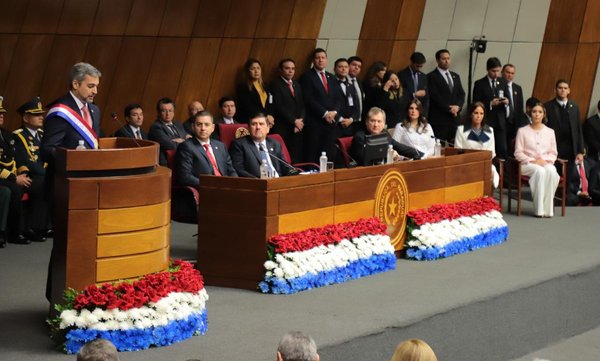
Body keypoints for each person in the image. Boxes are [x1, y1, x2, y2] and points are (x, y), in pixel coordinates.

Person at [42, 62, 102, 161]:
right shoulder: (61, 112)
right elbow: (47, 150)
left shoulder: (95, 110)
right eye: (91, 86)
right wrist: (73, 157)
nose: (95, 91)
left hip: (90, 173)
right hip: (65, 174)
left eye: (96, 86)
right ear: (75, 84)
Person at [13, 97, 50, 242]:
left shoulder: (42, 135)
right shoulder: (19, 136)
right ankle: (33, 227)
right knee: (42, 183)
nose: (41, 117)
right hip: (29, 175)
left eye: (41, 114)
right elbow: (24, 161)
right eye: (36, 114)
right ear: (26, 117)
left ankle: (47, 225)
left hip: (42, 174)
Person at [514, 102, 560, 217]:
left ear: (544, 114)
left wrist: (545, 160)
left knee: (551, 171)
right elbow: (518, 153)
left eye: (540, 112)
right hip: (527, 164)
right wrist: (532, 160)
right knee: (539, 171)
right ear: (530, 114)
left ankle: (548, 210)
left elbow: (554, 153)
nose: (537, 114)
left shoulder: (550, 132)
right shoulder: (522, 131)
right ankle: (539, 209)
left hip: (545, 162)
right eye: (534, 112)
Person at [300, 48, 343, 163]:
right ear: (313, 60)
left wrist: (334, 112)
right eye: (317, 58)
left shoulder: (331, 77)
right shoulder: (307, 76)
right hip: (315, 122)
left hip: (331, 123)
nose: (320, 60)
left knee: (328, 153)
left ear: (326, 60)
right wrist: (324, 113)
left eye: (323, 58)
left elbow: (338, 98)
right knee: (313, 153)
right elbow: (308, 99)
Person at [175, 111, 237, 187]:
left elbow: (231, 170)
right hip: (206, 189)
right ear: (193, 127)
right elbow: (185, 177)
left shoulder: (221, 146)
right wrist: (210, 184)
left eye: (207, 125)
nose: (203, 128)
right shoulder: (186, 147)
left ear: (213, 128)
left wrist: (235, 184)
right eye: (199, 124)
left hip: (226, 188)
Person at [0, 96, 30, 245]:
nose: (1, 116)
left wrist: (23, 173)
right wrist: (13, 178)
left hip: (10, 175)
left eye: (2, 113)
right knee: (12, 189)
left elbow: (17, 157)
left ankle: (22, 229)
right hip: (3, 176)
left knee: (26, 184)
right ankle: (11, 232)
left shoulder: (7, 135)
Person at [350, 107, 422, 165]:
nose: (376, 125)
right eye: (372, 121)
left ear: (384, 124)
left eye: (379, 121)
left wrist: (421, 155)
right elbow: (365, 159)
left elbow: (400, 147)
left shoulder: (384, 133)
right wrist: (389, 154)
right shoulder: (359, 137)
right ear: (366, 122)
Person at [544, 80, 584, 177]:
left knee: (569, 175)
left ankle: (568, 192)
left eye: (565, 88)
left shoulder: (574, 106)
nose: (563, 90)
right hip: (555, 146)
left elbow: (578, 129)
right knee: (554, 174)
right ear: (555, 90)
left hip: (571, 146)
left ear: (569, 91)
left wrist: (580, 151)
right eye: (560, 88)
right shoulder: (548, 106)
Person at [454, 102, 500, 188]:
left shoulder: (490, 130)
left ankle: (485, 197)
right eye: (476, 113)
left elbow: (492, 152)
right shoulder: (461, 129)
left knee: (491, 171)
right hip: (467, 164)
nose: (478, 116)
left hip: (484, 163)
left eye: (481, 113)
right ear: (471, 114)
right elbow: (457, 151)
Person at [472, 57, 510, 159]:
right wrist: (490, 104)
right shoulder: (479, 84)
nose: (496, 74)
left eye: (498, 71)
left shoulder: (503, 82)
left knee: (502, 149)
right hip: (486, 120)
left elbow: (508, 98)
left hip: (500, 121)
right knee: (486, 148)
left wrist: (506, 101)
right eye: (493, 71)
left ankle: (502, 173)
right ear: (488, 69)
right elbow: (475, 103)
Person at [270, 58, 305, 163]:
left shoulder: (296, 84)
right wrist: (294, 121)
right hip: (283, 126)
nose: (290, 71)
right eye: (287, 68)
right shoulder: (275, 84)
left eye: (293, 69)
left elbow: (302, 104)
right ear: (281, 70)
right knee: (283, 156)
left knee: (296, 155)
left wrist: (301, 121)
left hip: (298, 126)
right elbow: (279, 106)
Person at [427, 49, 465, 143]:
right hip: (439, 120)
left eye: (448, 58)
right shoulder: (431, 76)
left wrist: (458, 107)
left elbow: (461, 94)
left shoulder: (455, 76)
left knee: (457, 146)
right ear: (438, 60)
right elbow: (434, 96)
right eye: (444, 59)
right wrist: (449, 108)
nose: (447, 61)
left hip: (455, 119)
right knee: (440, 147)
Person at [148, 97, 189, 166]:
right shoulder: (155, 127)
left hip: (183, 160)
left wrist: (181, 140)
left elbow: (190, 139)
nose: (168, 114)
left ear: (173, 112)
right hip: (167, 163)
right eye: (164, 111)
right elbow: (171, 145)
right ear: (158, 112)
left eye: (170, 110)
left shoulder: (178, 124)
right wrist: (185, 140)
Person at [235, 58, 274, 125]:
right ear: (248, 71)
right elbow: (247, 106)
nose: (256, 71)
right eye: (252, 69)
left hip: (266, 120)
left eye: (258, 68)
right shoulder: (243, 87)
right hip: (251, 121)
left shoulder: (266, 85)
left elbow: (271, 101)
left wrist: (270, 115)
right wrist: (265, 116)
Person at [333, 58, 360, 137]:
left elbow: (356, 107)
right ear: (334, 69)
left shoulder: (351, 85)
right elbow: (329, 105)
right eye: (340, 67)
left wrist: (351, 119)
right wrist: (340, 119)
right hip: (335, 124)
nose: (344, 69)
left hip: (349, 125)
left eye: (346, 67)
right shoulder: (330, 84)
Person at [398, 52, 429, 118]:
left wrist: (424, 114)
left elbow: (426, 98)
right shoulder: (402, 75)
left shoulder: (424, 77)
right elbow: (400, 94)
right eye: (417, 66)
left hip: (419, 113)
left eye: (421, 66)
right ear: (412, 62)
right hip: (405, 111)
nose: (419, 68)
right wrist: (414, 94)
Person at [502, 63, 524, 149]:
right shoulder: (498, 85)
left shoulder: (518, 88)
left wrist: (520, 126)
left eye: (512, 73)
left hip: (514, 124)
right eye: (507, 72)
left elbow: (520, 108)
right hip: (502, 122)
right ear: (502, 72)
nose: (509, 75)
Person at [347, 56, 365, 121]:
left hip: (358, 120)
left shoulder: (359, 82)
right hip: (347, 119)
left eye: (359, 66)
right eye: (354, 65)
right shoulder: (342, 80)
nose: (356, 67)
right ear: (347, 65)